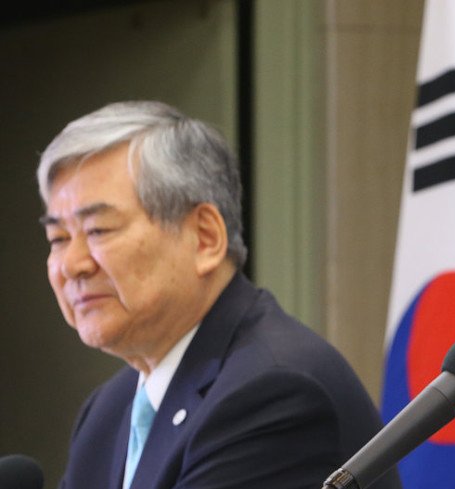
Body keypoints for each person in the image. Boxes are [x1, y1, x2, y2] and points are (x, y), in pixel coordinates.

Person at [37, 101, 401, 489]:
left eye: (98, 230)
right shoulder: (107, 414)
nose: (71, 265)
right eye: (58, 238)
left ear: (205, 237)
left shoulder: (271, 393)